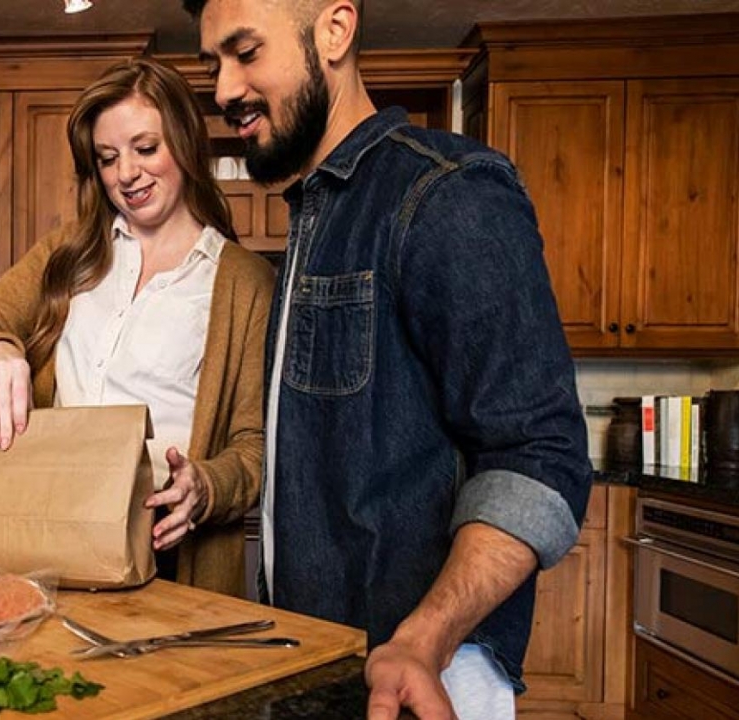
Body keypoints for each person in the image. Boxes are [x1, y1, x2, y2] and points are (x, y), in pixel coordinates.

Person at [183, 1, 593, 718]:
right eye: (214, 62)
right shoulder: (316, 215)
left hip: (421, 678)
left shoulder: (445, 193)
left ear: (334, 31)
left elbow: (539, 455)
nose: (222, 88)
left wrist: (422, 641)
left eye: (245, 52)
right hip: (324, 666)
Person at [0, 57, 275, 598]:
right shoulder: (69, 255)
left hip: (168, 562)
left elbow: (255, 445)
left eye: (145, 148)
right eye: (108, 157)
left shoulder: (244, 283)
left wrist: (204, 486)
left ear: (184, 142)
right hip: (45, 544)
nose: (126, 174)